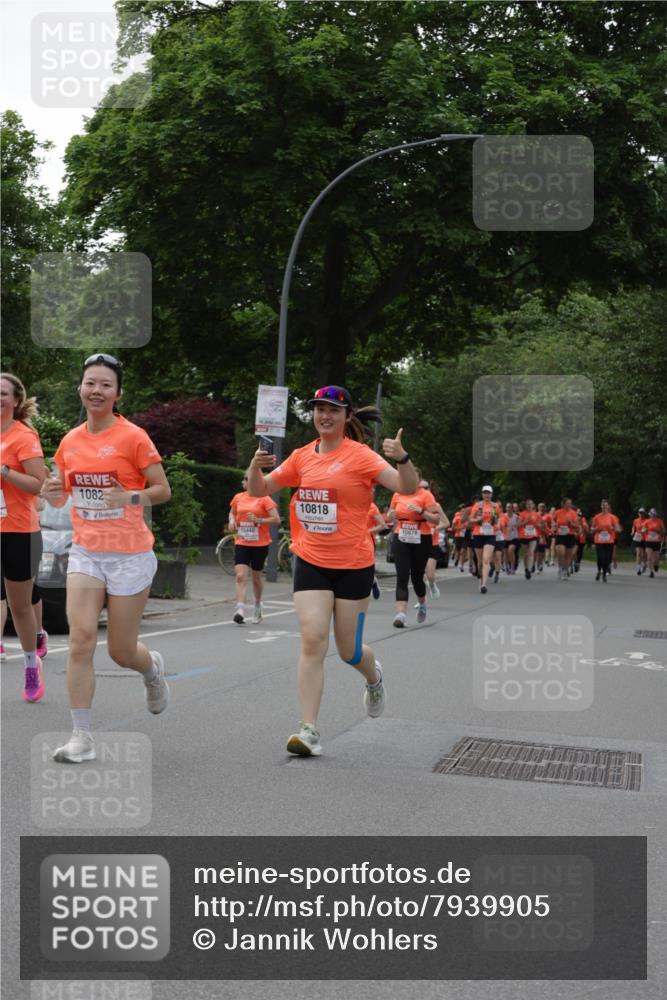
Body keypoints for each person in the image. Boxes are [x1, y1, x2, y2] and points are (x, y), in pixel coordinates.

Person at [247, 384, 418, 757]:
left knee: (349, 650)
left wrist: (403, 458)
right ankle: (308, 730)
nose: (324, 415)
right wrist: (254, 467)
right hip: (310, 560)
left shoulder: (361, 457)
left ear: (346, 417)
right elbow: (259, 490)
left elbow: (406, 487)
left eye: (333, 410)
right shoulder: (301, 456)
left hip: (353, 565)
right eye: (319, 409)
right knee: (312, 639)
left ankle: (374, 679)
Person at [42, 353, 172, 764]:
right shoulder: (70, 441)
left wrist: (130, 496)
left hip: (130, 554)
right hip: (87, 552)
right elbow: (64, 490)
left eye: (105, 385)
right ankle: (82, 737)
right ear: (80, 388)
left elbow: (161, 490)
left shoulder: (133, 437)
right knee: (80, 640)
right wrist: (52, 490)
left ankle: (151, 669)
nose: (96, 390)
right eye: (90, 383)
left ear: (117, 394)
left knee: (120, 650)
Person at [0, 373, 47, 700]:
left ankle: (31, 664)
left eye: (2, 393)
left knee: (19, 607)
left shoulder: (23, 437)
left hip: (19, 531)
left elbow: (37, 484)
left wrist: (3, 471)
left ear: (15, 400)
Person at [228, 473, 280, 624]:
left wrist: (259, 520)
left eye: (246, 479)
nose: (243, 481)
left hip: (260, 544)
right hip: (242, 542)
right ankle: (240, 609)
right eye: (243, 479)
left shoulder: (264, 498)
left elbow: (276, 519)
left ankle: (257, 605)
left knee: (256, 579)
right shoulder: (238, 497)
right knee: (240, 576)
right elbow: (232, 512)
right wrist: (231, 521)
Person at [389, 474, 440, 627]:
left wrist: (421, 511)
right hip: (401, 536)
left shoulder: (426, 495)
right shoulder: (397, 494)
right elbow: (391, 513)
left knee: (417, 577)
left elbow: (436, 520)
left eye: (413, 478)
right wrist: (391, 515)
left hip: (421, 538)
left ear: (417, 480)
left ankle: (422, 604)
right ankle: (401, 614)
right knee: (402, 574)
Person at [468, 485, 501, 594]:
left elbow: (499, 517)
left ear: (492, 494)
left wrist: (498, 524)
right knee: (480, 561)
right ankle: (480, 579)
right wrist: (478, 519)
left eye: (489, 493)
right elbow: (470, 520)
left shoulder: (495, 506)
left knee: (486, 559)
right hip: (478, 534)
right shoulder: (477, 505)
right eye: (485, 493)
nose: (487, 495)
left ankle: (484, 584)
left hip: (490, 534)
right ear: (482, 494)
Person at [422, 480, 449, 600]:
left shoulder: (436, 506)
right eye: (421, 488)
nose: (424, 490)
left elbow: (446, 523)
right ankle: (422, 599)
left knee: (430, 575)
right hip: (418, 543)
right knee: (419, 574)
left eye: (426, 488)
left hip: (432, 543)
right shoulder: (414, 505)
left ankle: (432, 585)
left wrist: (436, 528)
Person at [590, 499, 621, 582]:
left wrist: (613, 528)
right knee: (601, 557)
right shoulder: (596, 517)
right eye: (603, 505)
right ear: (601, 506)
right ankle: (600, 571)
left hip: (609, 541)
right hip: (599, 540)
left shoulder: (612, 517)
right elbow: (591, 529)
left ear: (608, 507)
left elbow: (618, 529)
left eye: (606, 505)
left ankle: (603, 573)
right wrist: (596, 529)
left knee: (608, 558)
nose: (604, 507)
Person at [553, 498, 580, 580]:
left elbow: (577, 526)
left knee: (568, 555)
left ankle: (565, 570)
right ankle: (560, 568)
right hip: (560, 535)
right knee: (561, 553)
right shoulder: (558, 512)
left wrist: (570, 523)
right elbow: (553, 521)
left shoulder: (573, 513)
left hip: (570, 535)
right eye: (568, 503)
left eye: (570, 503)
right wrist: (554, 526)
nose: (569, 505)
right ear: (563, 504)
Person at [517, 499, 543, 580]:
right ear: (525, 506)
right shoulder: (522, 514)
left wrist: (537, 525)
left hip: (533, 535)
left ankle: (529, 569)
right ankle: (526, 568)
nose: (529, 506)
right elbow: (518, 525)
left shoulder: (536, 514)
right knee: (526, 553)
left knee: (531, 552)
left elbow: (540, 525)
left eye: (530, 504)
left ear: (533, 505)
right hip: (524, 535)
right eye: (527, 504)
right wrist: (526, 521)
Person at [643, 508, 665, 578]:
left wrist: (658, 530)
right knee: (649, 557)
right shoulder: (646, 521)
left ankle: (656, 565)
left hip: (657, 541)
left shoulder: (660, 521)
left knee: (656, 559)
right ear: (650, 515)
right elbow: (643, 529)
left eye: (654, 515)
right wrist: (644, 530)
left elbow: (664, 531)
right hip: (648, 541)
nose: (653, 516)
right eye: (652, 515)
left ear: (656, 515)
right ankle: (651, 572)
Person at [631, 507, 648, 575]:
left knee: (644, 554)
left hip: (645, 538)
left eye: (642, 513)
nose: (641, 514)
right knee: (638, 553)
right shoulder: (635, 520)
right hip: (638, 538)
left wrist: (645, 530)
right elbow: (633, 527)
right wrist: (632, 532)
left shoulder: (647, 521)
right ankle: (638, 568)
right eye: (640, 513)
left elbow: (647, 528)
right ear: (638, 514)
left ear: (644, 514)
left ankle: (644, 565)